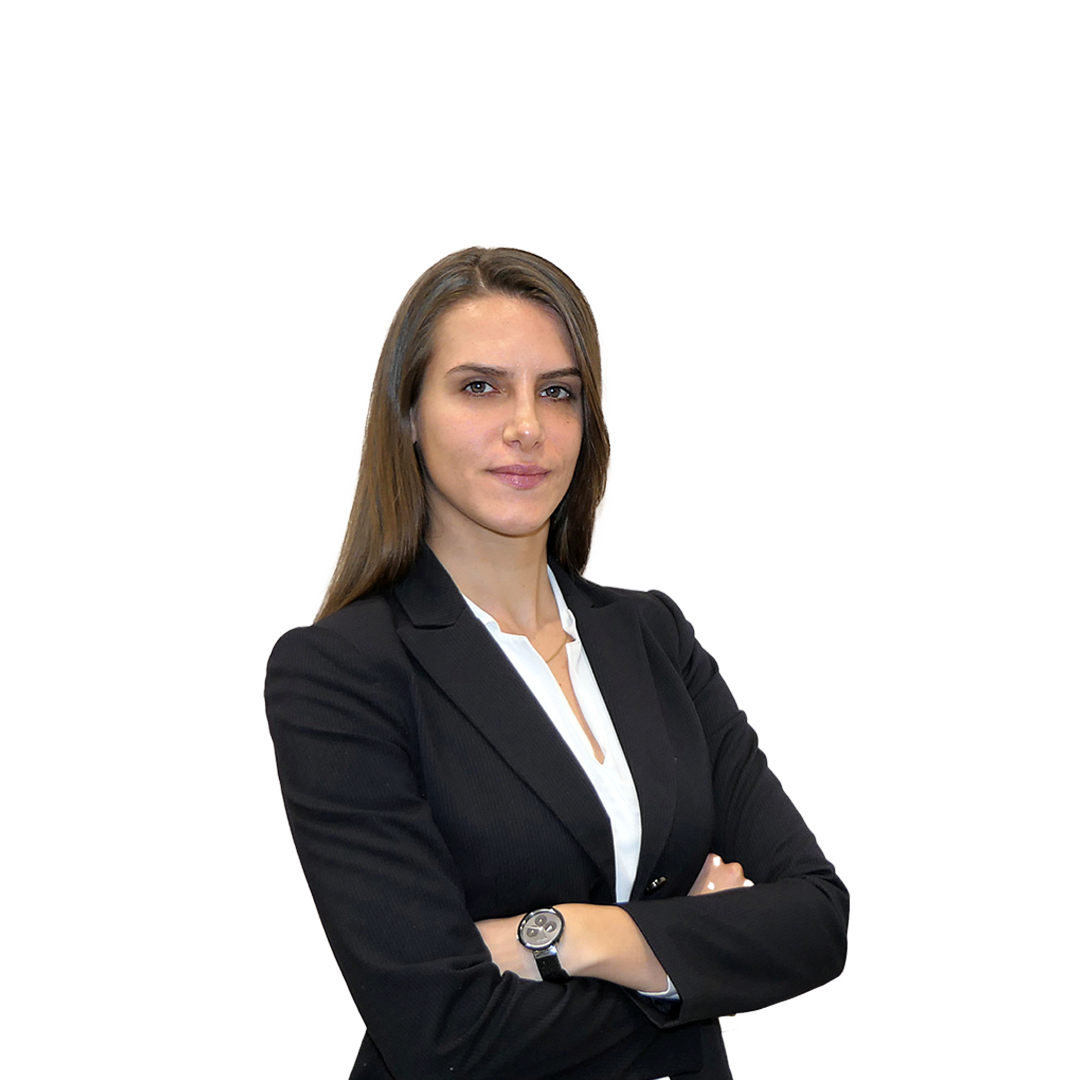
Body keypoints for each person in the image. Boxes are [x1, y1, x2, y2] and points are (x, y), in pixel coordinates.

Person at [263, 245, 850, 1080]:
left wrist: (574, 936)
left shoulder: (652, 635)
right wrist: (696, 963)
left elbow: (818, 919)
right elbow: (442, 1032)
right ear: (409, 417)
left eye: (558, 391)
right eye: (480, 387)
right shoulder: (338, 673)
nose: (526, 426)